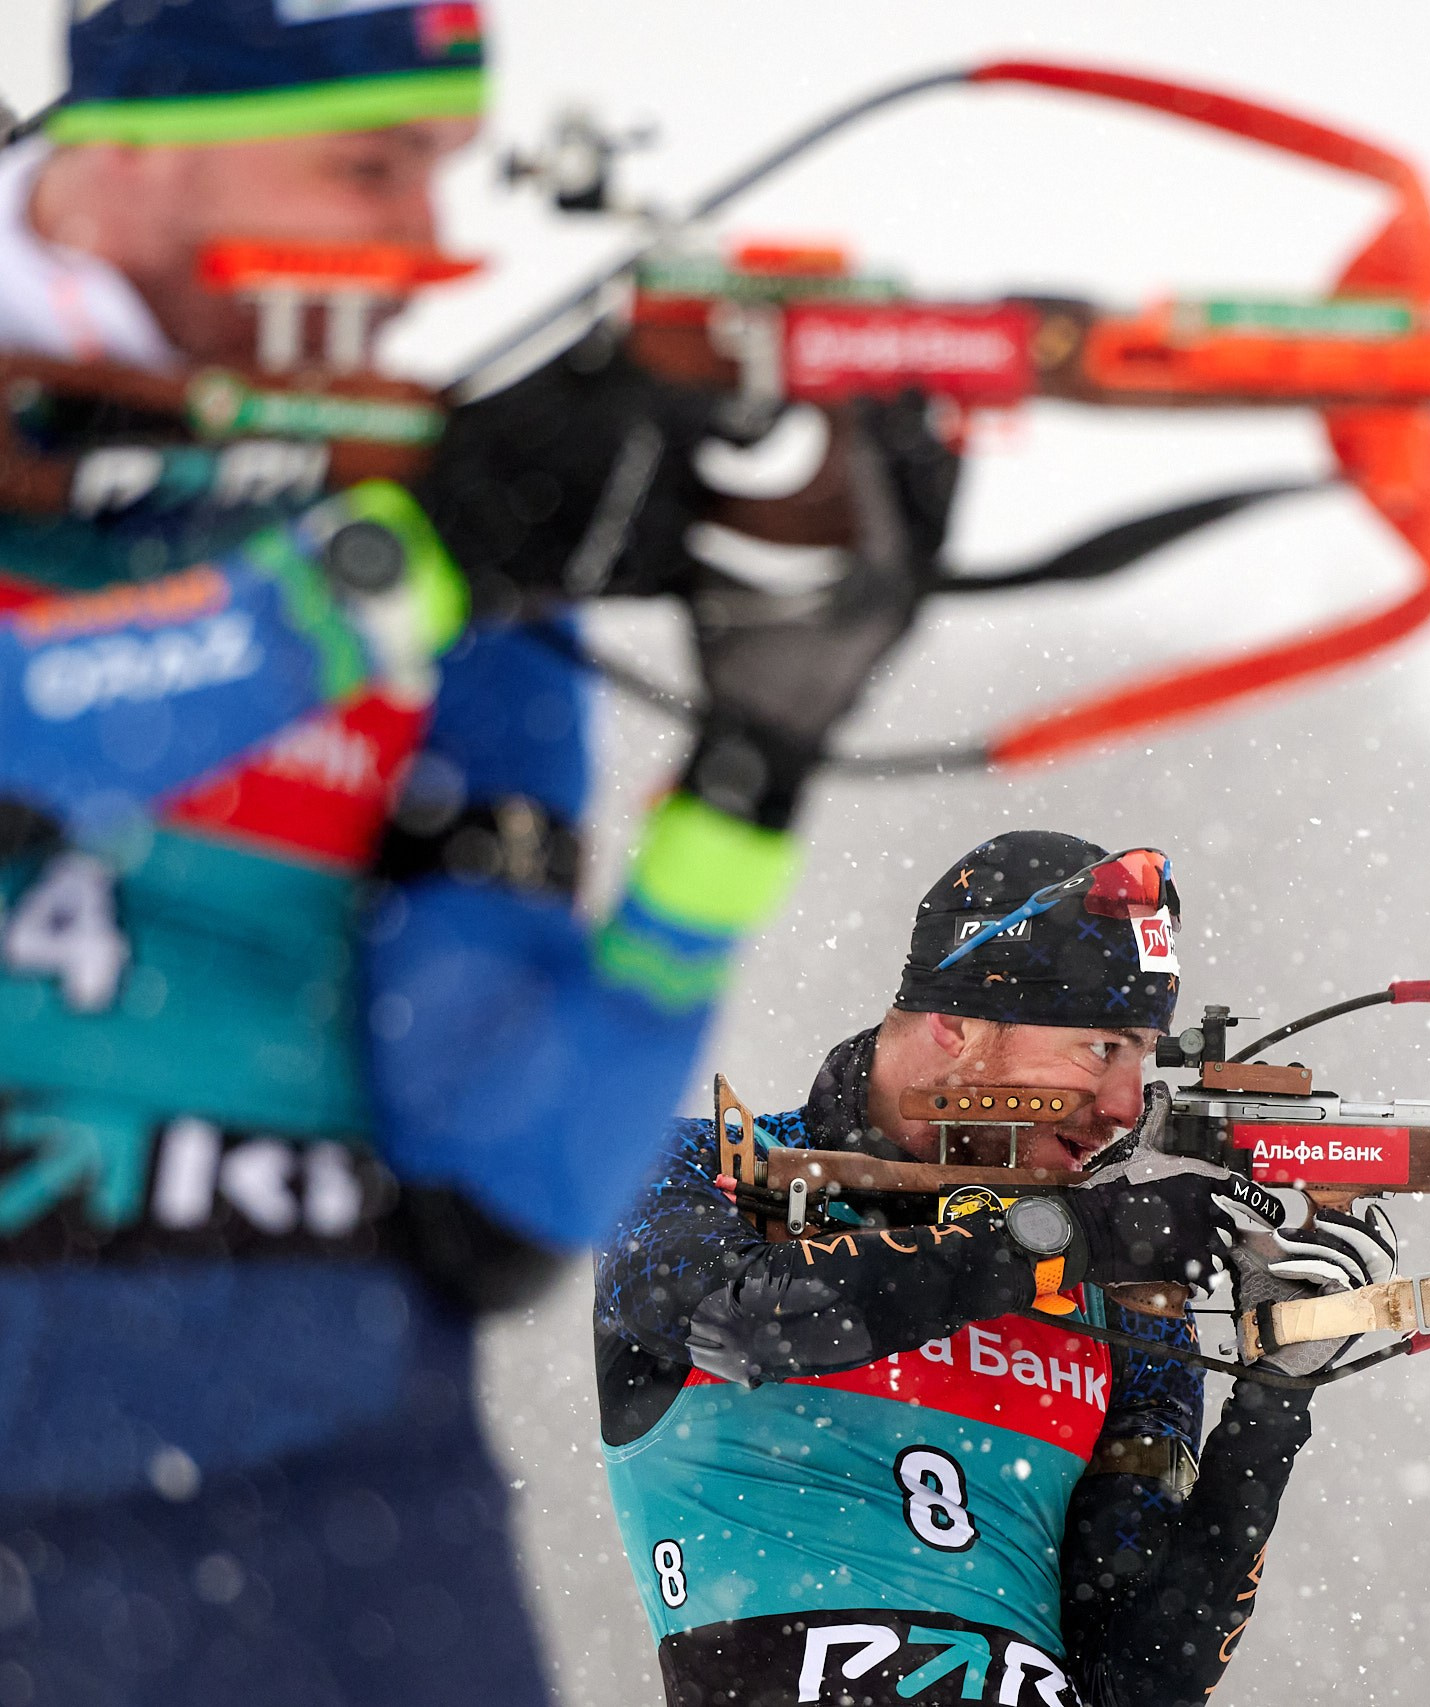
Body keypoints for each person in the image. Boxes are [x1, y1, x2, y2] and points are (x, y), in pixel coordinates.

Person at [0, 3, 933, 1702]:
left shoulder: (433, 533)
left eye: (439, 172)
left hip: (334, 1510)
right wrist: (400, 567)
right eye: (367, 166)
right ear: (113, 161)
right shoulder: (413, 543)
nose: (424, 245)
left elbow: (508, 1181)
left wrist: (748, 773)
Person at [595, 832, 1398, 1707]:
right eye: (1101, 1049)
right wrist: (1060, 1240)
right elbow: (745, 1316)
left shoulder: (1123, 1294)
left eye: (1145, 1055)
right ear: (956, 1023)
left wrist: (1274, 1395)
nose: (1128, 1107)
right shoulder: (696, 1171)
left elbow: (1138, 1678)